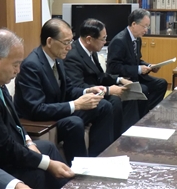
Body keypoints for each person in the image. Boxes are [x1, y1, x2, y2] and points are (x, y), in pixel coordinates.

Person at [14, 18, 114, 166]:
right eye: (66, 43)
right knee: (74, 122)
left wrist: (87, 90)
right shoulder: (31, 66)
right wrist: (76, 105)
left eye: (71, 41)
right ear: (49, 41)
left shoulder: (58, 59)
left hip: (57, 109)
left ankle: (99, 158)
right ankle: (80, 168)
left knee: (103, 106)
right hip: (40, 119)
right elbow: (36, 109)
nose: (70, 47)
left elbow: (67, 90)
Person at [0, 29, 74, 189]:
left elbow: (15, 123)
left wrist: (28, 141)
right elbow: (5, 148)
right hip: (3, 160)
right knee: (39, 170)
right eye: (15, 64)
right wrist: (46, 164)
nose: (18, 71)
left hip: (12, 150)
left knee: (48, 148)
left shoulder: (0, 85)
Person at [64, 18, 139, 139]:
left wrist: (119, 80)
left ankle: (128, 137)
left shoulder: (91, 50)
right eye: (103, 38)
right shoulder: (73, 56)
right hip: (85, 97)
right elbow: (76, 87)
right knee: (114, 100)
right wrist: (108, 90)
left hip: (98, 92)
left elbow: (100, 76)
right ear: (89, 39)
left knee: (130, 94)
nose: (105, 42)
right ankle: (113, 141)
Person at [107, 8, 167, 118]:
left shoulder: (137, 39)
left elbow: (137, 60)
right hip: (123, 79)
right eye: (144, 26)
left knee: (161, 84)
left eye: (147, 26)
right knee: (143, 89)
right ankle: (142, 115)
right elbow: (113, 67)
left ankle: (147, 113)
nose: (146, 30)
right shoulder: (119, 41)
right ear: (134, 24)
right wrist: (138, 69)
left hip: (135, 76)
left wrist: (149, 66)